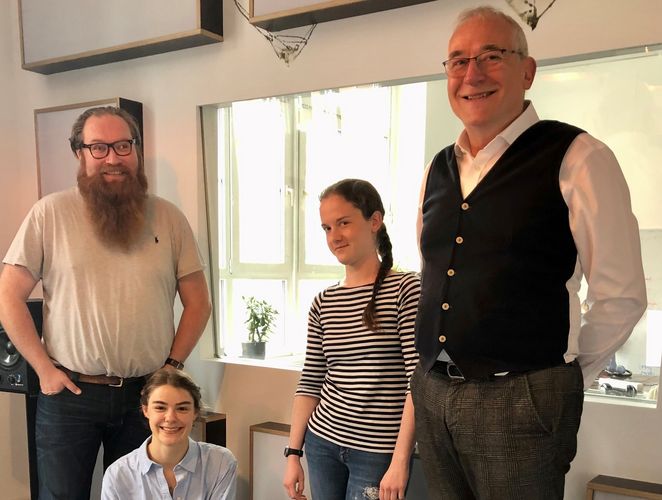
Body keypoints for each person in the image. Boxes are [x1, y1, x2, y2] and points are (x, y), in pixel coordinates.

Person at [411, 6, 648, 499]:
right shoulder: (438, 168)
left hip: (523, 397)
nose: (471, 74)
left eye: (491, 56)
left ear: (527, 70)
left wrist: (556, 376)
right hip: (434, 391)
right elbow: (436, 271)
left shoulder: (579, 157)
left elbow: (622, 295)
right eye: (458, 61)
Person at [0, 106, 212, 499]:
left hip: (144, 397)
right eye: (98, 147)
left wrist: (171, 368)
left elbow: (199, 302)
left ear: (136, 150)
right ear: (79, 153)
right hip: (68, 396)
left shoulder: (169, 218)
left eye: (122, 145)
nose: (113, 158)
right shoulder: (49, 214)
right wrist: (43, 369)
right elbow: (7, 295)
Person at [283, 179, 421, 500]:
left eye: (344, 223)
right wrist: (293, 454)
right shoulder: (323, 302)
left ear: (374, 221)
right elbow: (311, 382)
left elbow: (419, 383)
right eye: (327, 228)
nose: (335, 237)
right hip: (322, 443)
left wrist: (400, 461)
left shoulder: (406, 290)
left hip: (378, 453)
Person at [101, 368, 236, 500]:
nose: (170, 418)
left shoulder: (221, 463)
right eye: (160, 407)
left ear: (195, 412)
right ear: (146, 410)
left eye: (182, 408)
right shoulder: (118, 475)